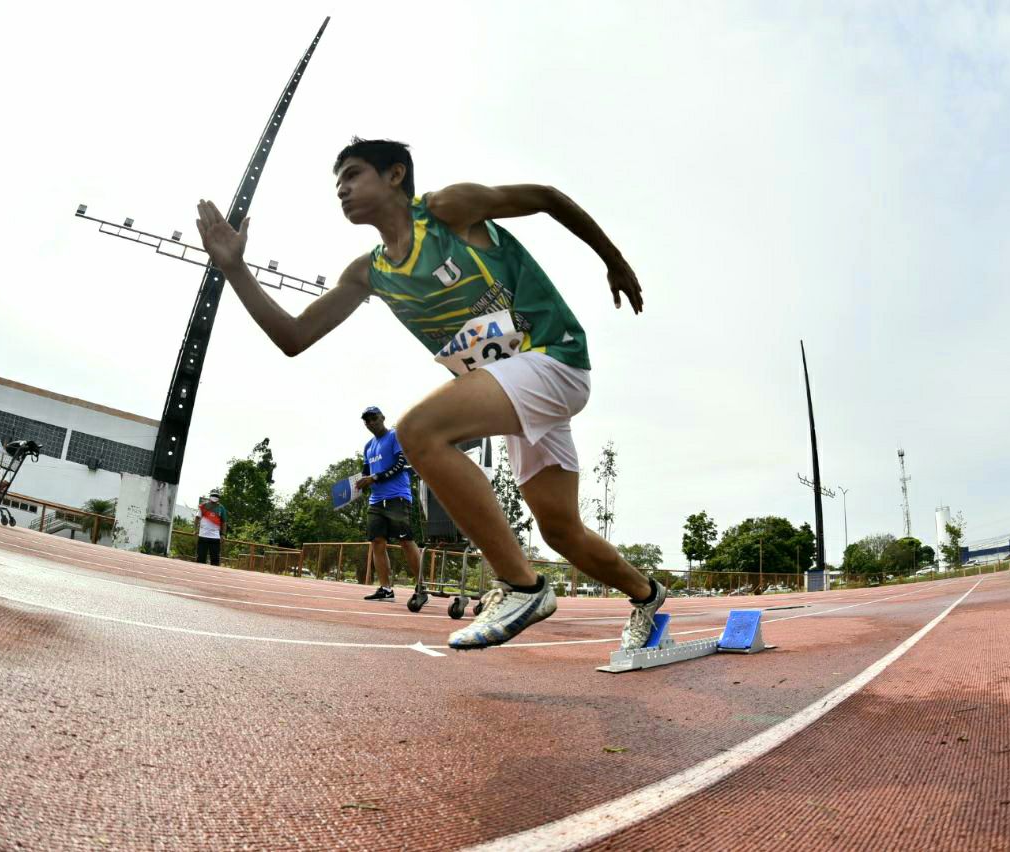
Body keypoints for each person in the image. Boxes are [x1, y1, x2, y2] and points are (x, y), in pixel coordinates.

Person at [195, 137, 666, 650]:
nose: (342, 189)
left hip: (554, 358)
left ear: (395, 175)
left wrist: (613, 260)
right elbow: (293, 337)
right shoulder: (368, 271)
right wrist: (234, 269)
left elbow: (548, 197)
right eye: (337, 183)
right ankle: (647, 595)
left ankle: (521, 586)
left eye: (353, 175)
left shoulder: (448, 210)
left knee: (419, 432)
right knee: (562, 532)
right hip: (511, 388)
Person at [357, 405, 423, 601]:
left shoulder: (395, 436)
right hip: (376, 500)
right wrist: (359, 483)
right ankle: (386, 589)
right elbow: (365, 471)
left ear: (383, 417)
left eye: (374, 418)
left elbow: (400, 464)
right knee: (377, 542)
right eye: (367, 420)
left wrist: (374, 478)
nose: (371, 422)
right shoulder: (368, 446)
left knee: (405, 540)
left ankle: (421, 587)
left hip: (397, 497)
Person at [196, 489, 227, 566]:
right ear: (210, 496)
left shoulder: (221, 508)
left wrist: (223, 534)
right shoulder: (203, 506)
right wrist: (195, 530)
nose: (215, 497)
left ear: (219, 497)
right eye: (213, 495)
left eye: (216, 496)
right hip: (203, 535)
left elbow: (224, 522)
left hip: (215, 537)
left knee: (215, 559)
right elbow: (197, 518)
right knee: (200, 558)